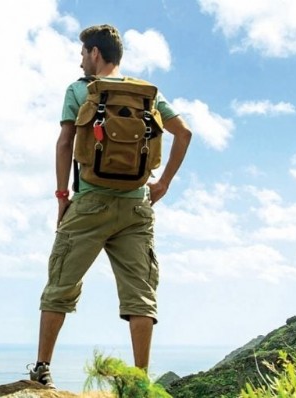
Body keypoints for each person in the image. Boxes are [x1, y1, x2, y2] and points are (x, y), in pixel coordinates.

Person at [29, 24, 193, 388]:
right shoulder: (147, 95)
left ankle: (41, 370)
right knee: (140, 296)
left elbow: (64, 144)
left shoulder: (79, 90)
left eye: (83, 52)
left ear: (96, 54)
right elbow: (184, 133)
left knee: (60, 284)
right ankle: (140, 381)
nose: (81, 59)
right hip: (136, 208)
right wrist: (162, 183)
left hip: (90, 203)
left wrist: (61, 197)